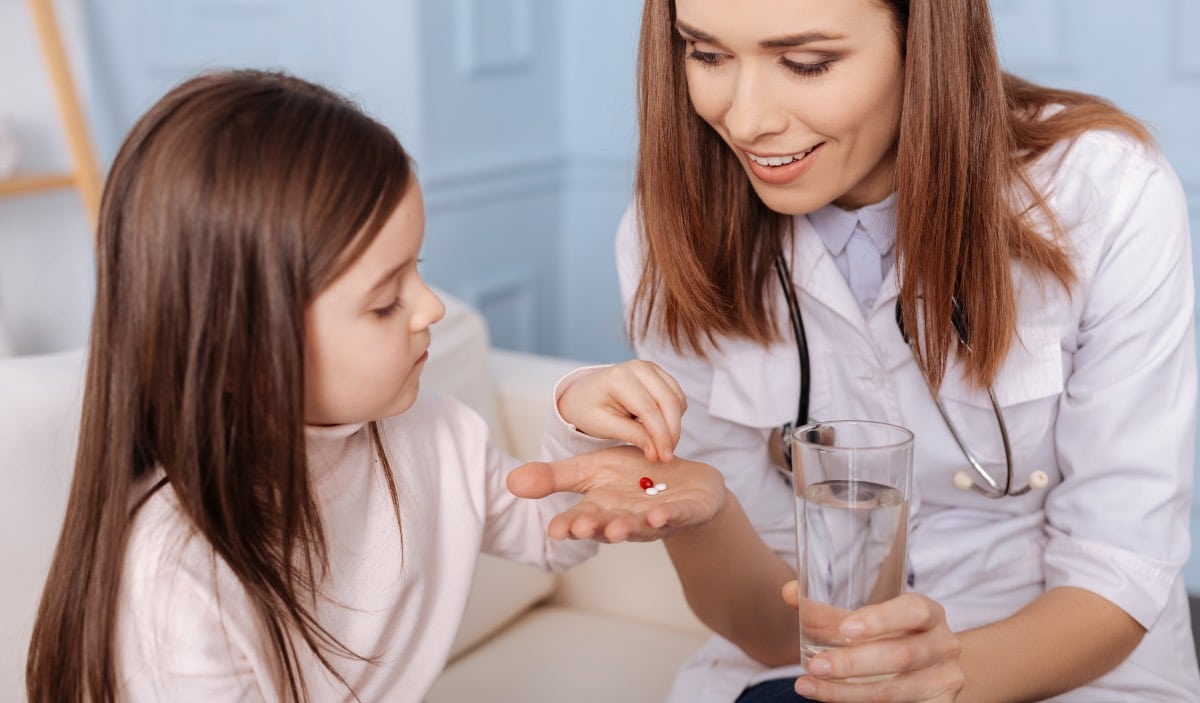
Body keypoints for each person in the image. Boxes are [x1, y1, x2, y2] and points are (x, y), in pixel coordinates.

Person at [24, 69, 726, 703]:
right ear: (237, 353)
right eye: (386, 300)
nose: (432, 309)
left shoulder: (433, 432)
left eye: (416, 270)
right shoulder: (178, 574)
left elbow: (552, 537)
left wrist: (580, 424)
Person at [616, 0, 1200, 701]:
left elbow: (1118, 572)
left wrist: (936, 682)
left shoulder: (1106, 191)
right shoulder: (671, 231)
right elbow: (774, 633)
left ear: (923, 39)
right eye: (706, 55)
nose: (746, 121)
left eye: (807, 63)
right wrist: (698, 519)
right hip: (810, 669)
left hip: (1064, 663)